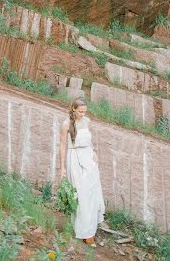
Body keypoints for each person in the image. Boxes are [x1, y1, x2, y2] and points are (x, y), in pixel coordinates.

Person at [59, 97, 105, 247]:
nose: (83, 114)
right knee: (82, 196)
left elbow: (88, 140)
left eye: (85, 111)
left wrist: (94, 152)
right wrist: (62, 167)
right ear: (73, 109)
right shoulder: (66, 124)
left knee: (92, 195)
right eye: (80, 112)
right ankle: (85, 232)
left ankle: (90, 230)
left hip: (89, 160)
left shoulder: (87, 121)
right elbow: (62, 145)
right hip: (75, 160)